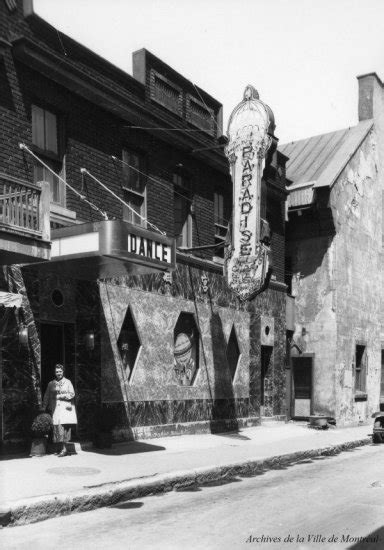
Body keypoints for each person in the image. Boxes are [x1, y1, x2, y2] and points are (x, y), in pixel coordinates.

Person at [43, 363, 77, 457]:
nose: (59, 373)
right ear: (55, 373)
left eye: (60, 371)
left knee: (64, 429)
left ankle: (64, 450)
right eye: (57, 372)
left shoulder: (68, 382)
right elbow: (46, 396)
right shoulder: (51, 384)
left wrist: (61, 396)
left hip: (65, 409)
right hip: (56, 410)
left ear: (63, 372)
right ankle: (61, 449)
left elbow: (72, 394)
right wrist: (44, 406)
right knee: (58, 430)